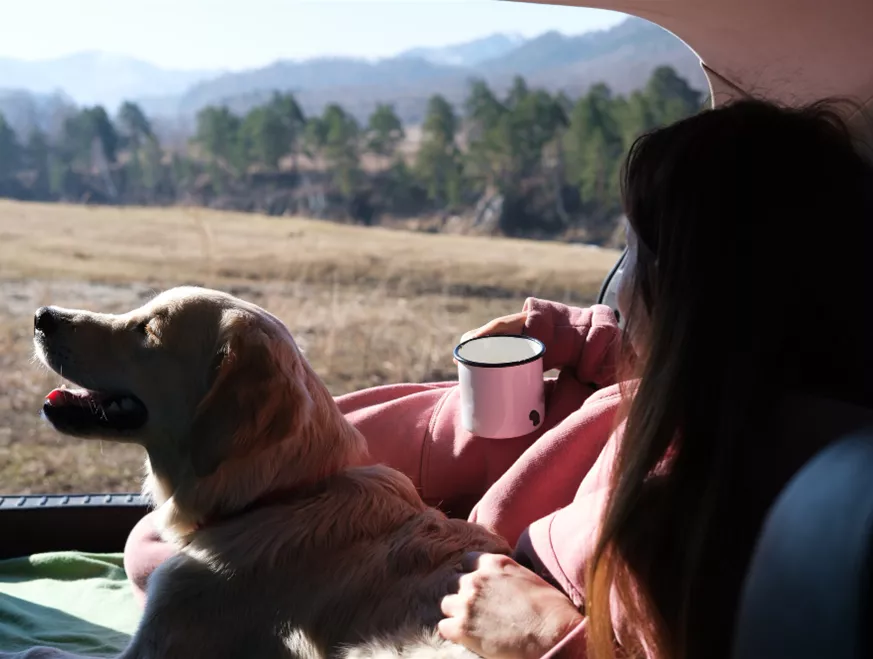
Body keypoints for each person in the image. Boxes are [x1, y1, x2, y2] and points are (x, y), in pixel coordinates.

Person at [124, 97, 873, 659]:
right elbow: (617, 331)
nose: (618, 286)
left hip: (474, 586)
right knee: (167, 543)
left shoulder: (703, 525)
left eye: (637, 257)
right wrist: (563, 332)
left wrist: (551, 635)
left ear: (698, 305)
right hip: (482, 529)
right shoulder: (694, 402)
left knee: (181, 562)